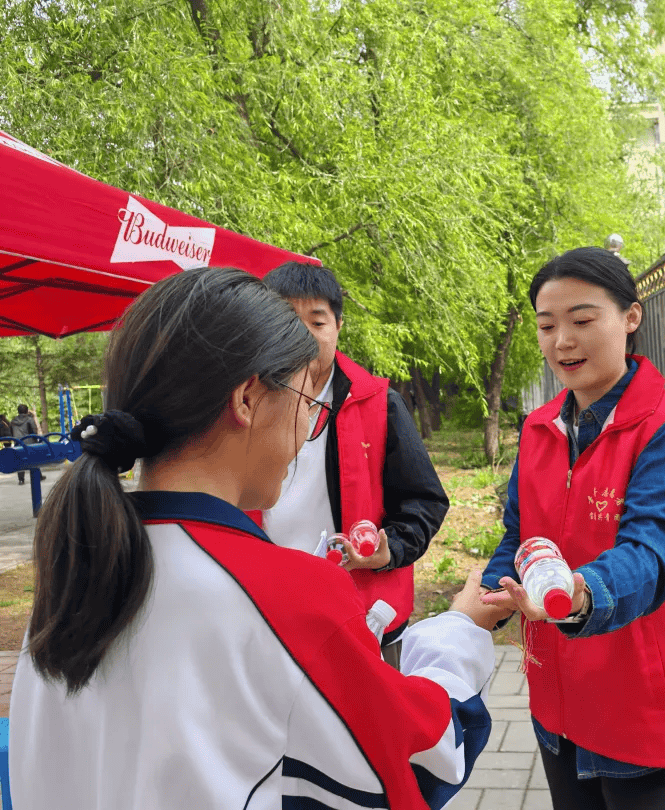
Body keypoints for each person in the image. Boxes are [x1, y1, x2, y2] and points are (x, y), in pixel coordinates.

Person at [11, 267, 502, 810]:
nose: (304, 430)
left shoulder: (77, 570)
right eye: (303, 401)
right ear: (246, 399)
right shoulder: (285, 596)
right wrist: (459, 633)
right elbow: (422, 760)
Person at [479, 247, 665, 810]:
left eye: (582, 320)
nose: (562, 341)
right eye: (547, 326)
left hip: (650, 708)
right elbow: (520, 537)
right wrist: (487, 598)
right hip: (561, 701)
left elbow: (652, 552)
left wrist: (578, 593)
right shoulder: (541, 429)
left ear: (630, 318)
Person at [256, 261, 449, 669]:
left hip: (362, 615)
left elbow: (425, 501)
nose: (303, 335)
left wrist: (389, 549)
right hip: (263, 609)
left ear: (338, 327)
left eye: (317, 321)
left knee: (369, 730)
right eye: (288, 320)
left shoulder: (379, 404)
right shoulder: (241, 403)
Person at [10, 404, 43, 484]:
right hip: (29, 443)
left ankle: (21, 479)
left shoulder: (13, 421)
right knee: (34, 459)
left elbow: (11, 432)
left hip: (18, 443)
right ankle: (38, 476)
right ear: (26, 411)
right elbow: (34, 431)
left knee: (20, 461)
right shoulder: (29, 419)